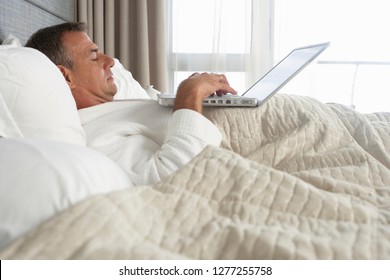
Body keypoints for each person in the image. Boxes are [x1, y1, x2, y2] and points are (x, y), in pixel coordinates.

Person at [25, 22, 237, 185]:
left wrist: (191, 97)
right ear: (65, 77)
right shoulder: (93, 134)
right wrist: (189, 95)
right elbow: (169, 178)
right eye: (93, 56)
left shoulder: (110, 111)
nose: (110, 61)